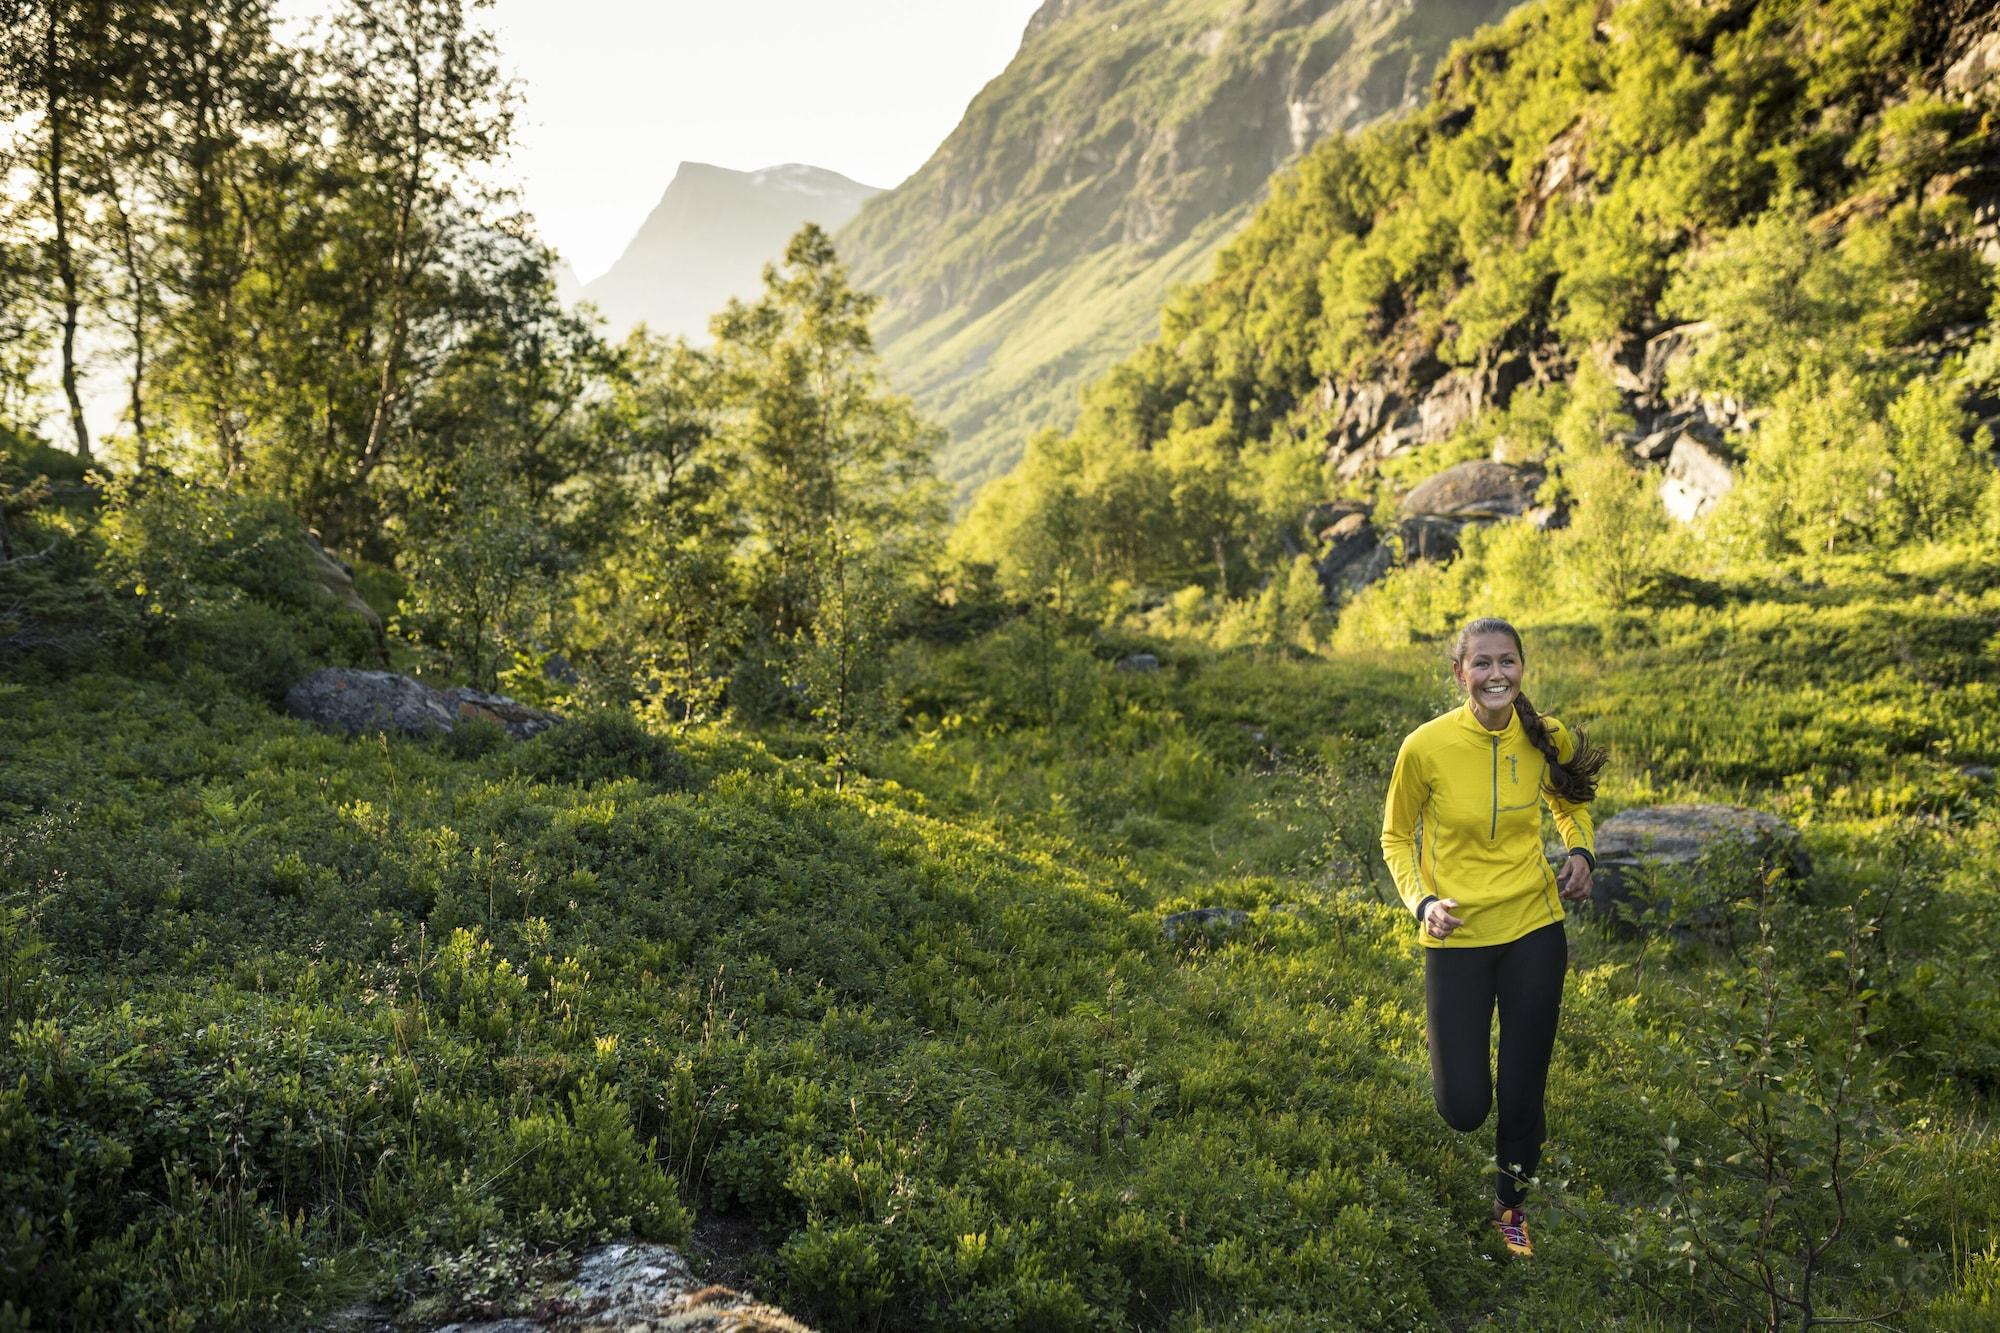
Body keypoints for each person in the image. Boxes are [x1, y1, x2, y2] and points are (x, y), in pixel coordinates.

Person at [1379, 616, 1606, 1258]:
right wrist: (1421, 901)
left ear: (1522, 668)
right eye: (1482, 663)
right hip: (1455, 932)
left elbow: (1570, 800)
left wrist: (1582, 852)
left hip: (1535, 924)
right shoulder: (1424, 747)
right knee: (1463, 1107)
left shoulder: (1545, 735)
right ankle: (1478, 1106)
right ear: (1460, 674)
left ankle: (1511, 1207)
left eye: (1507, 662)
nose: (1495, 674)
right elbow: (1395, 836)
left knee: (1524, 1081)